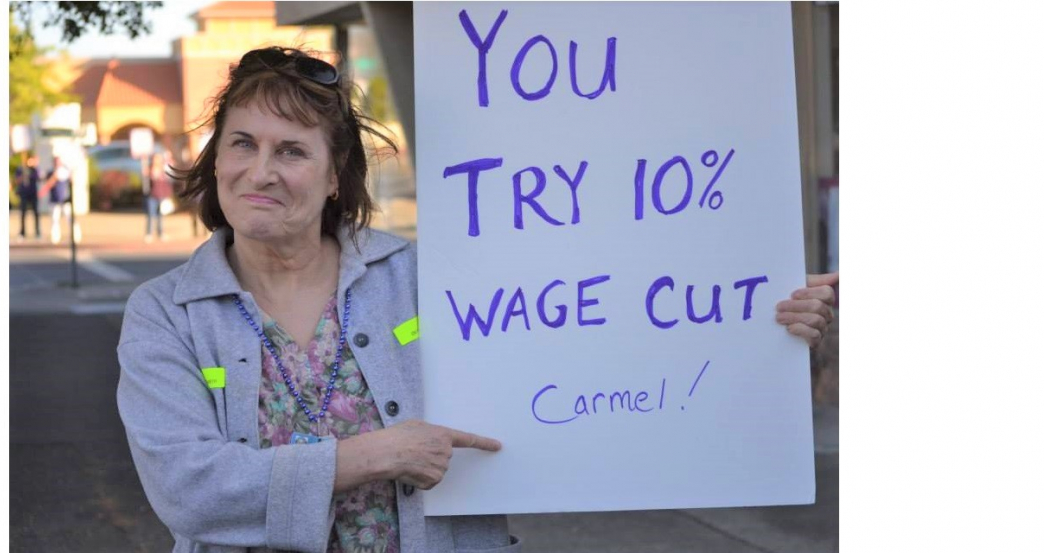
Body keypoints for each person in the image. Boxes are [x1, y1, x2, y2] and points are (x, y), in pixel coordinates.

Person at [116, 47, 837, 553]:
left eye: (292, 150)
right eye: (241, 143)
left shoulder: (429, 280)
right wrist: (376, 453)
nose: (260, 171)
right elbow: (191, 490)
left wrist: (761, 330)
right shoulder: (165, 314)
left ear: (336, 177)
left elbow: (601, 346)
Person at [42, 156, 82, 245]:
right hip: (54, 199)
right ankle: (55, 238)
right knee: (54, 219)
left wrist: (71, 175)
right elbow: (48, 183)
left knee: (70, 218)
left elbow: (72, 182)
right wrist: (54, 176)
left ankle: (75, 236)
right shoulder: (51, 173)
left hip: (65, 199)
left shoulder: (65, 172)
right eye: (55, 162)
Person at [144, 151, 174, 243]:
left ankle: (161, 233)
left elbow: (169, 181)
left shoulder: (164, 170)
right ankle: (149, 233)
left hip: (162, 196)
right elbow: (148, 180)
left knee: (160, 216)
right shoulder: (149, 169)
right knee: (151, 214)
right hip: (152, 195)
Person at [14, 154, 41, 241]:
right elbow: (16, 180)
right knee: (23, 213)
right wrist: (23, 176)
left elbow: (38, 178)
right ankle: (22, 232)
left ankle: (37, 232)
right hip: (24, 193)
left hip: (33, 193)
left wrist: (33, 169)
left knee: (36, 213)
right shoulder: (21, 169)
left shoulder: (34, 170)